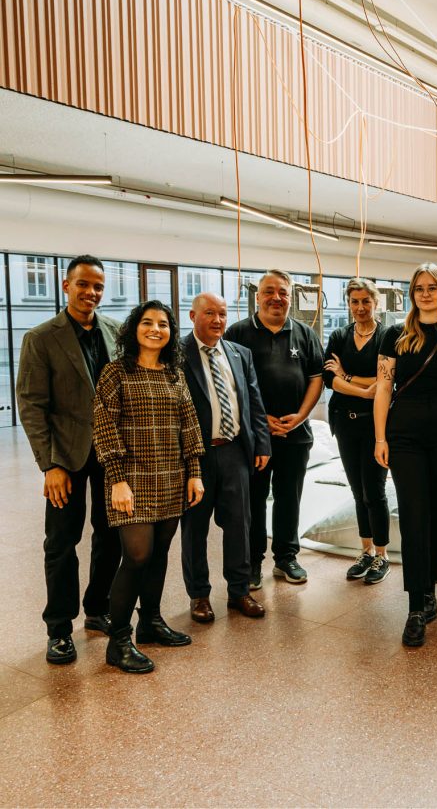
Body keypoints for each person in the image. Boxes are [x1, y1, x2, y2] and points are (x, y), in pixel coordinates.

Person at [16, 255, 123, 664]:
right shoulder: (42, 338)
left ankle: (98, 608)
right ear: (66, 286)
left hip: (111, 453)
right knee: (61, 542)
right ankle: (59, 629)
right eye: (83, 284)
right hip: (66, 454)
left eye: (98, 286)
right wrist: (50, 465)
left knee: (110, 535)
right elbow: (31, 405)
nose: (91, 292)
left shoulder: (115, 331)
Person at [92, 301, 205, 673]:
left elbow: (189, 424)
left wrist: (194, 472)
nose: (156, 329)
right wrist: (117, 479)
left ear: (171, 332)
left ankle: (151, 622)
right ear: (134, 329)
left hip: (171, 476)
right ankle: (118, 641)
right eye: (147, 322)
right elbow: (104, 427)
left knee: (159, 554)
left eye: (163, 324)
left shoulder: (174, 374)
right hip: (131, 479)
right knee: (137, 556)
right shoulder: (116, 372)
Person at [374, 264, 437, 648]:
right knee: (414, 514)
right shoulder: (395, 335)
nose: (426, 294)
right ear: (412, 293)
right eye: (419, 288)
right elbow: (383, 388)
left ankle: (430, 581)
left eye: (433, 288)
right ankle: (416, 605)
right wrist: (379, 437)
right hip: (405, 436)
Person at [225, 270, 324, 588]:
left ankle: (286, 558)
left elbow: (316, 379)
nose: (276, 298)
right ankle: (253, 561)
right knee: (253, 500)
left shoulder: (305, 334)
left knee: (288, 497)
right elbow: (229, 382)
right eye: (269, 291)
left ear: (290, 297)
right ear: (258, 296)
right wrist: (259, 418)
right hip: (254, 436)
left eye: (282, 292)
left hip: (296, 434)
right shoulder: (238, 333)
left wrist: (301, 416)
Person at [180, 293, 272, 623]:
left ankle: (239, 591)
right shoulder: (177, 354)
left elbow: (254, 402)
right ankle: (199, 595)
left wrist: (262, 444)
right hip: (195, 457)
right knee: (195, 528)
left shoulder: (239, 353)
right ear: (193, 316)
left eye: (222, 314)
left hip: (235, 451)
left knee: (239, 525)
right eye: (209, 313)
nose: (217, 320)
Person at [323, 278, 390, 585]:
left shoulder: (387, 336)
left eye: (366, 301)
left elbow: (385, 381)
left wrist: (348, 377)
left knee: (374, 491)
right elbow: (329, 379)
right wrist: (364, 389)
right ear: (348, 304)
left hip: (375, 424)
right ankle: (365, 551)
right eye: (354, 301)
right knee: (357, 491)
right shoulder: (339, 335)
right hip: (344, 421)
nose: (360, 307)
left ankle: (382, 555)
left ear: (375, 303)